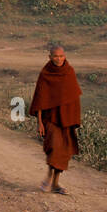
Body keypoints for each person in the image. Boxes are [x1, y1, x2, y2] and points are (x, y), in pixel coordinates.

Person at [29, 44, 81, 194]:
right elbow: (40, 99)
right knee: (54, 148)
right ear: (50, 57)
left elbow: (74, 96)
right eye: (55, 56)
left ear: (65, 56)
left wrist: (74, 118)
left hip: (66, 119)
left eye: (61, 56)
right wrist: (39, 122)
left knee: (63, 152)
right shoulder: (45, 73)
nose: (58, 59)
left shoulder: (69, 72)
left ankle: (55, 183)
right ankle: (48, 177)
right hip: (50, 119)